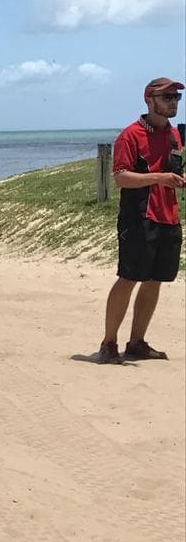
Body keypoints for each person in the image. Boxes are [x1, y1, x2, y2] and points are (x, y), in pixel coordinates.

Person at [96, 77, 185, 364]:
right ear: (149, 100)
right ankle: (109, 343)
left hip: (169, 216)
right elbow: (121, 177)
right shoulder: (130, 135)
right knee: (129, 277)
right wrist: (158, 178)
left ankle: (137, 342)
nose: (173, 102)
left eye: (176, 97)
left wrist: (177, 179)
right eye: (167, 96)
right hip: (138, 217)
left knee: (156, 280)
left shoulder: (174, 135)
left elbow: (173, 171)